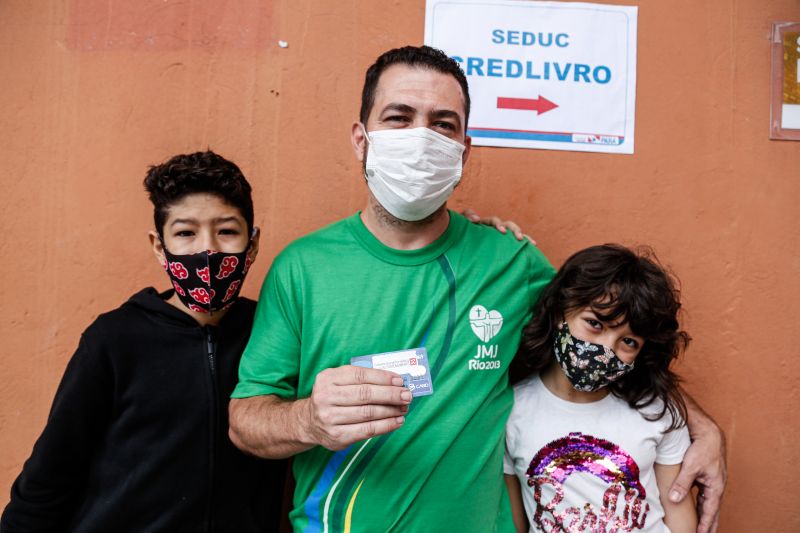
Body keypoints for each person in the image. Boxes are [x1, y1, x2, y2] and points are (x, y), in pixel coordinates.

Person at [227, 46, 726, 533]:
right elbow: (245, 421)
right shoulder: (302, 267)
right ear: (361, 138)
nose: (422, 137)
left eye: (443, 124)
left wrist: (700, 427)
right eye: (399, 117)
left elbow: (605, 340)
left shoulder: (511, 261)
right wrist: (308, 421)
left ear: (464, 149)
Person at [1, 151, 287, 532]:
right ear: (159, 246)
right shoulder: (115, 339)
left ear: (251, 245)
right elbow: (51, 473)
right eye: (185, 233)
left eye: (227, 231)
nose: (208, 250)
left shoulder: (271, 332)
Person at [504, 244, 697, 532]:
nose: (606, 348)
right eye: (594, 323)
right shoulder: (511, 410)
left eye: (629, 342)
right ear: (560, 312)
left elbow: (680, 516)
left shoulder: (656, 411)